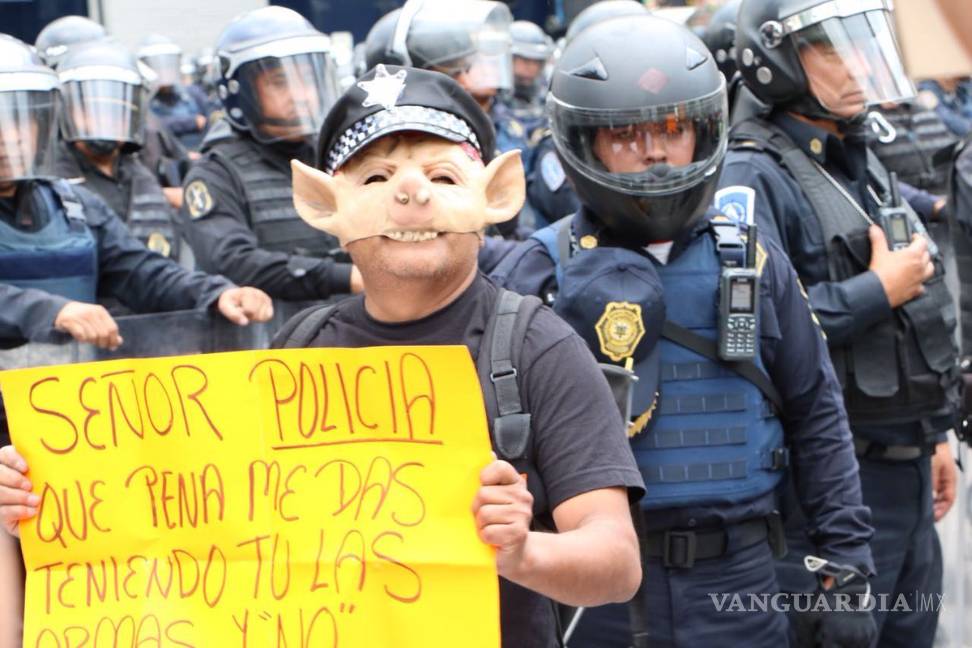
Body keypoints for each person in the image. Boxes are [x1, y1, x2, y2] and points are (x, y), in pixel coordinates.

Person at [1, 63, 646, 648]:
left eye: (443, 175)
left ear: (495, 195)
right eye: (376, 177)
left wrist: (522, 552)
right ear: (323, 206)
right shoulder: (298, 349)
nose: (413, 195)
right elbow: (202, 517)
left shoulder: (538, 348)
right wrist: (48, 493)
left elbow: (615, 564)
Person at [492, 14, 875, 647]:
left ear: (705, 132)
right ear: (583, 143)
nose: (654, 152)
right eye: (625, 134)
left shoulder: (752, 259)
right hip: (591, 589)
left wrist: (848, 565)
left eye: (673, 130)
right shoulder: (538, 269)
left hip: (739, 580)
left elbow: (817, 416)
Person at [720, 1, 961, 645]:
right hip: (833, 489)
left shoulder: (854, 151)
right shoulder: (752, 172)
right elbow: (751, 336)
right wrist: (876, 290)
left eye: (863, 43)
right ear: (775, 60)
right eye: (832, 48)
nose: (858, 66)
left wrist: (932, 436)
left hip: (905, 466)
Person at [0, 34, 273, 363]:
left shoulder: (74, 205)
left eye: (18, 119)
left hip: (70, 402)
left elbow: (141, 272)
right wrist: (51, 312)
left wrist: (217, 293)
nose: (8, 137)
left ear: (40, 122)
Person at [177, 6, 360, 313]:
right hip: (272, 345)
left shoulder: (340, 156)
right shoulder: (215, 173)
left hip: (356, 333)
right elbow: (232, 261)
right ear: (239, 91)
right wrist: (345, 276)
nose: (302, 95)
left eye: (308, 80)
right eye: (280, 82)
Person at [53, 39, 183, 263]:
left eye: (113, 111)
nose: (102, 120)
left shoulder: (139, 172)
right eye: (90, 109)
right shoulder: (51, 179)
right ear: (68, 110)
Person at [138, 34, 211, 150]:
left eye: (168, 66)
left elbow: (209, 122)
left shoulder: (192, 94)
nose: (164, 71)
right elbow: (152, 129)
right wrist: (191, 122)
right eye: (160, 67)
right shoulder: (145, 100)